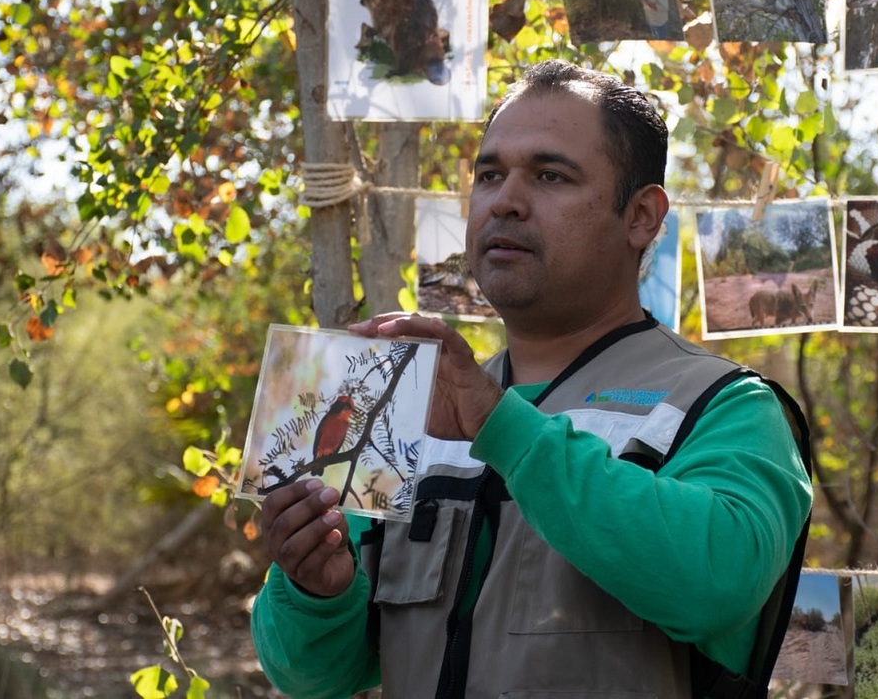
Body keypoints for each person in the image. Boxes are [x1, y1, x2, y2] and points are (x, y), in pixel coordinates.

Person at [251, 60, 814, 699]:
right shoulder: (405, 407)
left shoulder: (726, 406)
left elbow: (716, 583)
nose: (505, 201)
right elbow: (311, 676)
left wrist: (503, 426)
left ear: (641, 217)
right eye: (489, 175)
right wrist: (314, 591)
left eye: (550, 175)